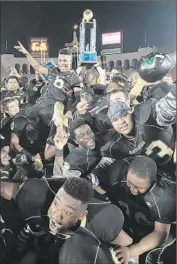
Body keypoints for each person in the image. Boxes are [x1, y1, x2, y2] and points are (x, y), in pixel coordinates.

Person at [0, 177, 130, 264]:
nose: (57, 215)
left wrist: (128, 252)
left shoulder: (102, 219)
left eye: (67, 212)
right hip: (40, 238)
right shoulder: (34, 197)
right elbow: (7, 188)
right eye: (56, 204)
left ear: (81, 215)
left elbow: (127, 242)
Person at [94, 155, 176, 264]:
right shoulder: (117, 170)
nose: (133, 189)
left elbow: (160, 233)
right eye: (130, 183)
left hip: (153, 228)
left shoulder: (166, 196)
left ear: (152, 181)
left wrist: (131, 251)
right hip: (129, 217)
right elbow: (99, 190)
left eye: (139, 187)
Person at [14, 42, 81, 125]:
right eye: (60, 60)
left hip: (54, 109)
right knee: (20, 118)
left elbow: (78, 99)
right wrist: (27, 53)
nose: (62, 63)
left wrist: (69, 112)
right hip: (42, 104)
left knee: (40, 116)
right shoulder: (54, 70)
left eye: (65, 60)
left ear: (70, 61)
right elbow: (38, 67)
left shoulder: (74, 77)